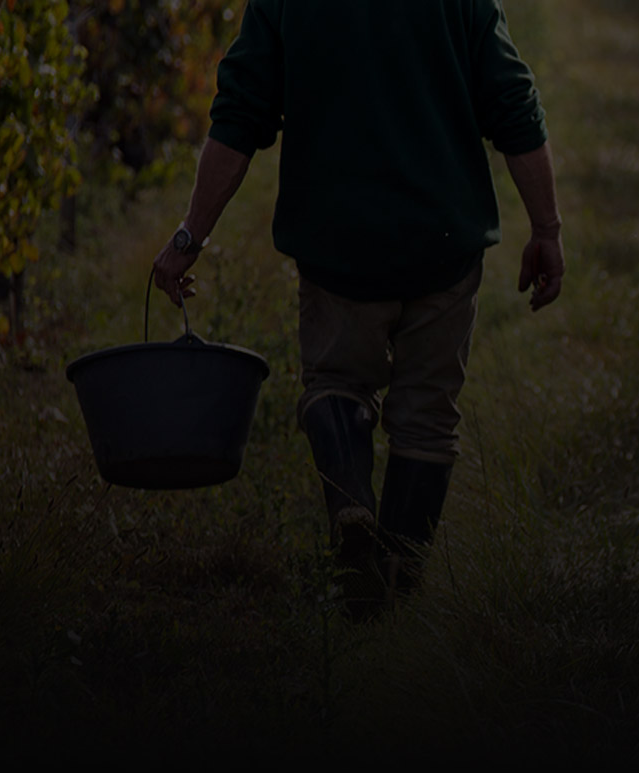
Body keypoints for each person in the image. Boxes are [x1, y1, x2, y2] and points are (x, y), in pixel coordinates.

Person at [149, 0, 565, 620]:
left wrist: (190, 236)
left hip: (336, 244)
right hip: (442, 244)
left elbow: (239, 116)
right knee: (426, 417)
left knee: (336, 384)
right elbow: (514, 106)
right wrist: (547, 229)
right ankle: (393, 593)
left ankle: (351, 505)